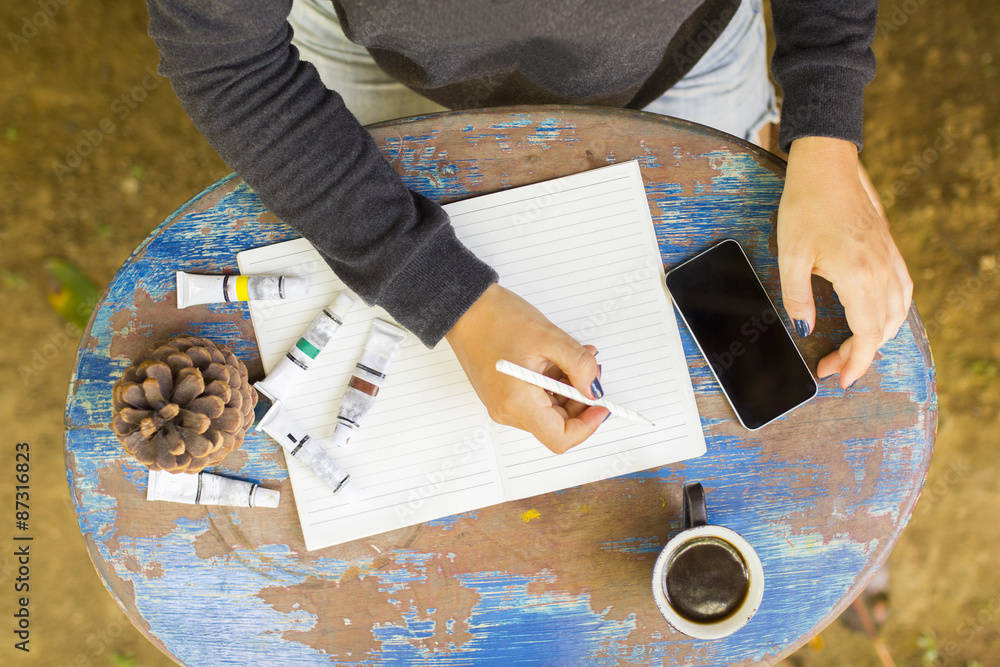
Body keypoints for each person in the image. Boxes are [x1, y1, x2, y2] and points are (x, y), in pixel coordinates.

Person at [145, 0, 912, 454]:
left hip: (692, 50)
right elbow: (227, 60)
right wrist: (451, 303)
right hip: (370, 49)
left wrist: (826, 123)